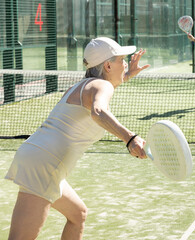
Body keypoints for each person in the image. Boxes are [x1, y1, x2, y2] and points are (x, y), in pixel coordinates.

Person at [5, 37, 150, 239]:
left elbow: (98, 96)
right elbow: (98, 111)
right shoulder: (102, 86)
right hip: (46, 163)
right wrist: (130, 138)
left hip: (38, 157)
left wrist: (125, 75)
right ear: (108, 65)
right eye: (121, 59)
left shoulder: (85, 85)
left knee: (78, 214)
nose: (125, 63)